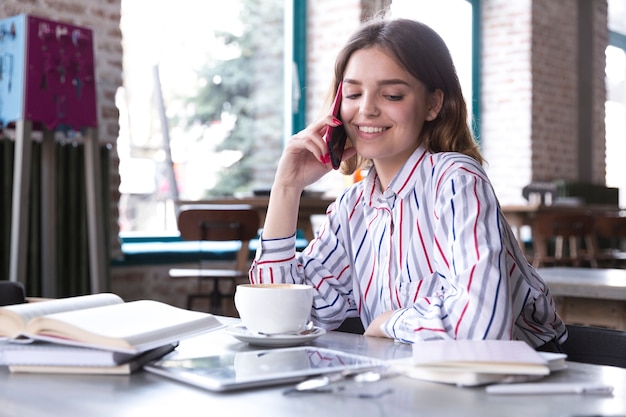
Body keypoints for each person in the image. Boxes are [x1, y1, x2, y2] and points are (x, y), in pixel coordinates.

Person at [249, 17, 567, 350]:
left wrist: (391, 321)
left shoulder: (456, 180)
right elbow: (280, 321)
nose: (366, 109)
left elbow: (479, 330)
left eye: (392, 95)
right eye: (354, 93)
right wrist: (287, 188)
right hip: (411, 379)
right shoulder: (352, 207)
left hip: (515, 381)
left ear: (432, 104)